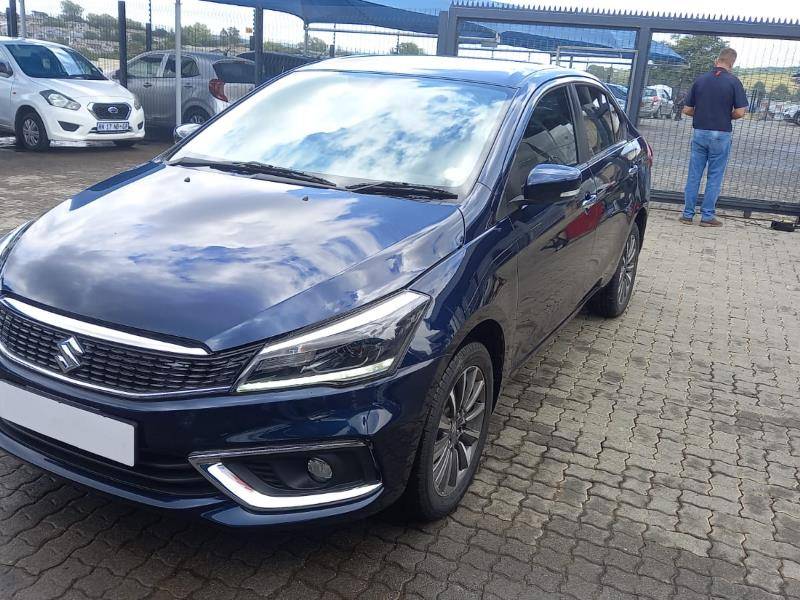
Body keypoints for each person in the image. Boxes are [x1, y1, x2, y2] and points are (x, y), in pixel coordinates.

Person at [680, 48, 748, 227]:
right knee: (714, 176)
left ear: (716, 60)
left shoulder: (700, 80)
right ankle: (707, 216)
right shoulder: (734, 82)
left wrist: (701, 113)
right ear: (732, 63)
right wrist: (726, 116)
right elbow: (740, 112)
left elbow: (686, 109)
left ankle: (687, 214)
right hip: (721, 134)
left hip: (700, 132)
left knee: (694, 174)